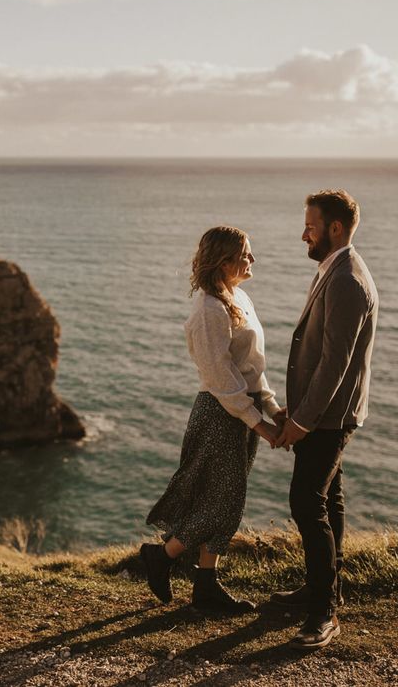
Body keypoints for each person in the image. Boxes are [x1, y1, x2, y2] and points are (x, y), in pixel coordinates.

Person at [141, 226, 284, 614]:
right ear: (224, 262)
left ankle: (206, 585)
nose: (252, 260)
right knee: (222, 504)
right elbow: (222, 378)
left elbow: (252, 368)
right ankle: (163, 557)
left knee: (223, 500)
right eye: (246, 255)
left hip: (241, 411)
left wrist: (271, 408)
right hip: (220, 414)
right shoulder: (209, 309)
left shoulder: (239, 298)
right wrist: (260, 423)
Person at [272, 189, 379, 650]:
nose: (304, 235)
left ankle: (324, 614)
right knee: (328, 498)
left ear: (335, 228)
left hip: (329, 419)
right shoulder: (334, 269)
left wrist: (302, 421)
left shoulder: (346, 280)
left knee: (305, 501)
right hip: (326, 415)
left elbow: (334, 364)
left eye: (310, 227)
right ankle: (322, 591)